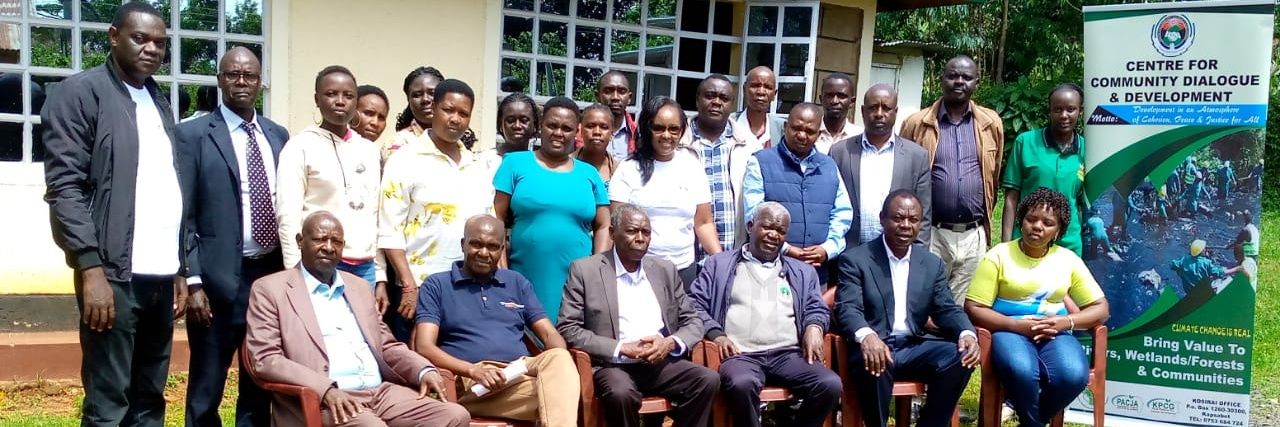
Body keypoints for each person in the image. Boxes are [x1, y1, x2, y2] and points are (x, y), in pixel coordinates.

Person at [42, 4, 192, 425]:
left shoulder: (157, 98)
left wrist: (179, 267)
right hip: (113, 276)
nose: (151, 49)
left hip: (160, 277)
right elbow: (65, 189)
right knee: (110, 401)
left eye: (160, 43)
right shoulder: (79, 93)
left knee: (149, 397)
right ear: (113, 36)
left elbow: (167, 186)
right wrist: (91, 269)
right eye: (140, 38)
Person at [244, 212, 469, 427]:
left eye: (336, 241)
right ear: (300, 241)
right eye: (320, 239)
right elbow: (266, 358)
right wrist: (325, 389)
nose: (329, 247)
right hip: (326, 399)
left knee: (453, 416)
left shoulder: (359, 287)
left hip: (381, 393)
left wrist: (423, 370)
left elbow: (386, 346)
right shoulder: (271, 289)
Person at [177, 46, 289, 427]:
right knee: (208, 382)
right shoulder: (192, 135)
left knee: (259, 376)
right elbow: (185, 214)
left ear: (261, 82)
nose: (241, 82)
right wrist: (193, 281)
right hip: (217, 278)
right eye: (232, 75)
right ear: (220, 79)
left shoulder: (277, 135)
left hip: (269, 276)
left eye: (250, 76)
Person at [557, 204, 720, 427]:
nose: (641, 238)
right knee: (621, 392)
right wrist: (621, 348)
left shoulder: (664, 270)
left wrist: (670, 343)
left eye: (646, 232)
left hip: (659, 362)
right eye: (633, 231)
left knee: (707, 380)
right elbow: (568, 327)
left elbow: (692, 320)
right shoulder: (585, 270)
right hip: (612, 365)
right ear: (613, 233)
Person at [415, 215, 580, 427]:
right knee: (561, 394)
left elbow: (549, 334)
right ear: (463, 245)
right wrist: (472, 371)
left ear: (502, 249)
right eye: (476, 244)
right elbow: (424, 346)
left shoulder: (515, 282)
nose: (484, 253)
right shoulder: (437, 284)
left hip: (518, 371)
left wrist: (554, 364)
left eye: (492, 247)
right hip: (473, 382)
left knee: (559, 356)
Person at [965, 188, 1111, 427]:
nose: (1038, 226)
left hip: (1055, 333)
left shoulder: (1067, 260)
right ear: (1021, 220)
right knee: (1021, 370)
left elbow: (1101, 308)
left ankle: (1031, 422)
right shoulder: (999, 256)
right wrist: (1016, 326)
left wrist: (1065, 322)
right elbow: (973, 307)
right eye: (1032, 219)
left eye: (1048, 223)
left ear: (1059, 230)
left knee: (1072, 375)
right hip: (1009, 331)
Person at [689, 202, 842, 427]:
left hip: (788, 354)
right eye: (768, 227)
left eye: (780, 231)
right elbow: (694, 305)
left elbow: (815, 307)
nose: (773, 235)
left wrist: (814, 326)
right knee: (742, 383)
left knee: (829, 383)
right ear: (751, 226)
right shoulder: (719, 265)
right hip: (741, 355)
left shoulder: (802, 271)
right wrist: (716, 334)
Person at [835, 190, 980, 427]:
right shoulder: (856, 260)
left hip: (914, 345)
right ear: (883, 219)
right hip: (874, 347)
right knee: (876, 360)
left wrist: (967, 333)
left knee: (963, 355)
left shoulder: (931, 263)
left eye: (913, 220)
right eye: (898, 218)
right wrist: (867, 336)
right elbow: (847, 309)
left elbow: (946, 308)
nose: (905, 225)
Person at [379, 79, 494, 334]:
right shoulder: (404, 161)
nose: (455, 119)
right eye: (448, 110)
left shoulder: (476, 165)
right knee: (415, 365)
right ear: (434, 108)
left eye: (463, 113)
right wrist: (408, 285)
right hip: (418, 286)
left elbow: (490, 225)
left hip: (468, 287)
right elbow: (389, 230)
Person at [899, 54, 1006, 302]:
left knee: (962, 307)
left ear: (976, 82)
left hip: (973, 235)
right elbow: (903, 177)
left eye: (966, 77)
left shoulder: (991, 123)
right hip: (932, 232)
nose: (959, 82)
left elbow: (994, 174)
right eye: (953, 76)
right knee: (922, 300)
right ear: (941, 80)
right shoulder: (917, 123)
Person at [494, 96, 611, 321]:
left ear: (576, 132)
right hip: (524, 277)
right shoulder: (514, 163)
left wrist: (598, 271)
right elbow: (497, 218)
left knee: (572, 341)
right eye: (552, 125)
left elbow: (604, 224)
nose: (558, 133)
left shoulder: (589, 174)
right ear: (540, 127)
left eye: (566, 128)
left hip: (578, 283)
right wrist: (504, 273)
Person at [276, 66, 386, 303]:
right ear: (317, 99)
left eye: (348, 96)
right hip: (319, 265)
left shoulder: (368, 149)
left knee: (360, 335)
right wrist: (293, 269)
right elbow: (288, 214)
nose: (340, 101)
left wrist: (380, 274)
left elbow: (374, 215)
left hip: (364, 267)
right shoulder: (299, 147)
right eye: (331, 94)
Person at [610, 97, 721, 285]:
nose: (666, 135)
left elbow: (703, 223)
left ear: (682, 131)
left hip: (684, 270)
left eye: (673, 129)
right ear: (647, 128)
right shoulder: (628, 169)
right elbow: (616, 226)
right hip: (638, 269)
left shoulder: (692, 167)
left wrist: (721, 261)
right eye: (659, 128)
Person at [743, 103, 852, 283]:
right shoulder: (760, 162)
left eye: (809, 131)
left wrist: (828, 248)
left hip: (817, 272)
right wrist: (785, 249)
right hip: (770, 269)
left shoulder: (829, 165)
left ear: (819, 134)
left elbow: (843, 213)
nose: (802, 135)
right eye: (796, 128)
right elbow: (753, 216)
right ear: (786, 127)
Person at [828, 83, 932, 252]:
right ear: (862, 111)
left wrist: (917, 258)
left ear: (895, 112)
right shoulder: (840, 152)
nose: (879, 114)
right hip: (848, 253)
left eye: (886, 108)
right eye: (873, 108)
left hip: (895, 255)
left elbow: (924, 216)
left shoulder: (917, 157)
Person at [1002, 84, 1087, 256]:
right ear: (1049, 111)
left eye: (1071, 109)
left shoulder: (1087, 149)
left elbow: (1081, 203)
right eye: (1057, 109)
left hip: (1069, 243)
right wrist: (1005, 246)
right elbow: (1011, 198)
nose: (1064, 115)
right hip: (1028, 239)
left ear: (1080, 111)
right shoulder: (1025, 142)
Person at [680, 74, 762, 253]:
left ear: (732, 105)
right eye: (710, 96)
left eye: (724, 98)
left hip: (732, 254)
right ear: (697, 100)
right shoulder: (677, 142)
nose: (716, 102)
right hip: (684, 257)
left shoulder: (750, 145)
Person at [386, 66, 444, 162]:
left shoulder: (456, 142)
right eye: (417, 95)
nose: (425, 99)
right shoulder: (399, 143)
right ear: (408, 101)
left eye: (432, 93)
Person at [482, 92, 541, 170]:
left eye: (524, 120)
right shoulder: (483, 162)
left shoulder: (539, 165)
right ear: (500, 125)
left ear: (535, 125)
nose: (517, 125)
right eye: (510, 120)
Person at [730, 66, 784, 149]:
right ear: (744, 90)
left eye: (768, 87)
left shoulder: (782, 129)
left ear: (774, 94)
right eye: (755, 86)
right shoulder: (728, 124)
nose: (761, 92)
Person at [1170, 239, 1241, 294]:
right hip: (1203, 292)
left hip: (1189, 291)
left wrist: (1179, 272)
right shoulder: (1206, 263)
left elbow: (1172, 264)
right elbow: (1220, 272)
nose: (1205, 249)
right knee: (1226, 277)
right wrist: (1237, 268)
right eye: (1204, 248)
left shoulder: (1183, 260)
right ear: (1202, 251)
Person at [815, 73, 862, 155]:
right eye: (829, 95)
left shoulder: (860, 137)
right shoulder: (808, 134)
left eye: (841, 96)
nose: (835, 101)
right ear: (821, 99)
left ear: (852, 102)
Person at [596, 70, 638, 160]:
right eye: (608, 91)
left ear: (629, 98)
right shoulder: (581, 132)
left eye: (622, 91)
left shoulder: (639, 133)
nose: (615, 97)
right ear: (597, 96)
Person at [575, 103, 618, 181]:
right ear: (581, 131)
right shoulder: (564, 164)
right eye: (590, 126)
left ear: (611, 133)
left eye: (604, 127)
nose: (597, 132)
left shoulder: (620, 171)